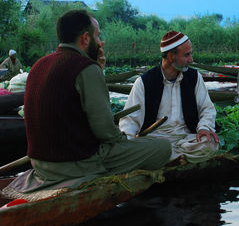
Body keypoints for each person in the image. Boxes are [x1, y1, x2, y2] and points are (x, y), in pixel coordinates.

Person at [3, 10, 171, 193]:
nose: (100, 43)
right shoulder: (86, 69)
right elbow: (106, 131)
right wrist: (125, 141)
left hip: (40, 163)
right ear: (85, 39)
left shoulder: (39, 64)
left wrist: (97, 70)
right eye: (97, 36)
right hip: (75, 165)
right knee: (162, 146)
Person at [119, 31, 219, 164]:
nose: (191, 60)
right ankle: (176, 157)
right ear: (172, 56)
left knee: (210, 144)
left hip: (186, 139)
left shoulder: (194, 77)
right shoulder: (144, 82)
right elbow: (130, 121)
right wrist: (127, 148)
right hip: (155, 142)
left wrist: (203, 128)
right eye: (187, 55)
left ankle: (171, 157)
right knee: (151, 149)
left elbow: (207, 109)